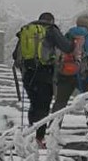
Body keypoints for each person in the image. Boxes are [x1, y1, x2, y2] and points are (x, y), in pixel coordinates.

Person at [12, 10, 73, 142]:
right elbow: (67, 47)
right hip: (45, 72)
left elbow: (15, 55)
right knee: (43, 105)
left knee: (34, 104)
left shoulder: (27, 30)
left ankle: (31, 133)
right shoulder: (51, 30)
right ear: (51, 21)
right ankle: (40, 138)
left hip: (28, 73)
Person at [52, 13, 88, 114]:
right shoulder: (87, 35)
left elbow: (60, 50)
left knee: (60, 102)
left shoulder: (68, 34)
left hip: (65, 72)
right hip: (82, 73)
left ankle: (54, 126)